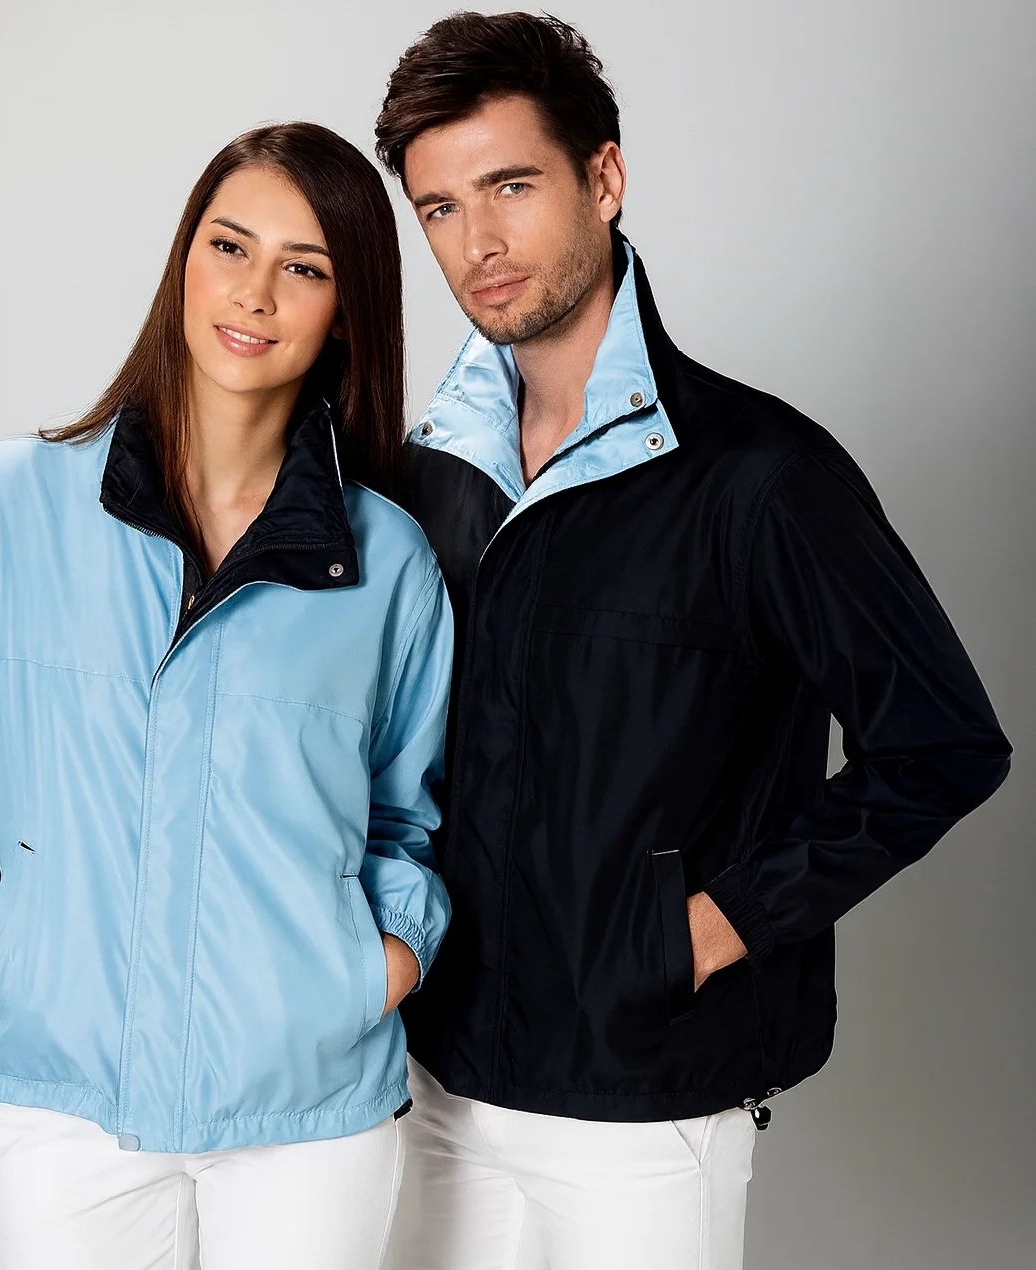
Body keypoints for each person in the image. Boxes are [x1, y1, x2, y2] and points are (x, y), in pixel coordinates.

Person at [373, 13, 1012, 1270]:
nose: (478, 242)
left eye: (512, 186)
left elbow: (941, 745)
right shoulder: (425, 476)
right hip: (434, 1078)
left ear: (605, 177)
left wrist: (709, 924)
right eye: (440, 207)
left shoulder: (760, 477)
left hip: (645, 1098)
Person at [0, 121, 453, 1270]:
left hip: (307, 1100)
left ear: (348, 312)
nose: (255, 293)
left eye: (305, 267)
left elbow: (411, 811)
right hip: (68, 1090)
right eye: (229, 246)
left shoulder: (387, 562)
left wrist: (379, 961)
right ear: (184, 259)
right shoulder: (11, 505)